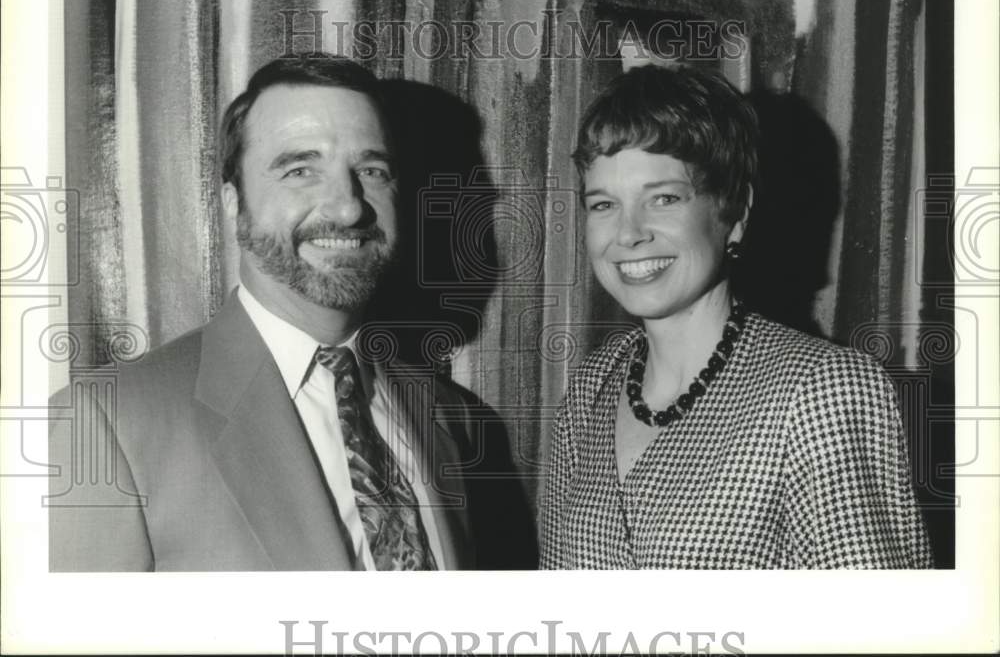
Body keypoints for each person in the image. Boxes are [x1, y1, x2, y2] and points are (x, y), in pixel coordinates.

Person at [49, 53, 534, 571]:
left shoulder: (446, 414)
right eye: (301, 169)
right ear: (234, 203)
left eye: (371, 170)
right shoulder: (105, 426)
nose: (348, 208)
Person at [539, 64, 933, 569]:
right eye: (603, 204)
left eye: (664, 198)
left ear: (735, 214)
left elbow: (884, 635)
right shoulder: (591, 387)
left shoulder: (824, 393)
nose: (628, 233)